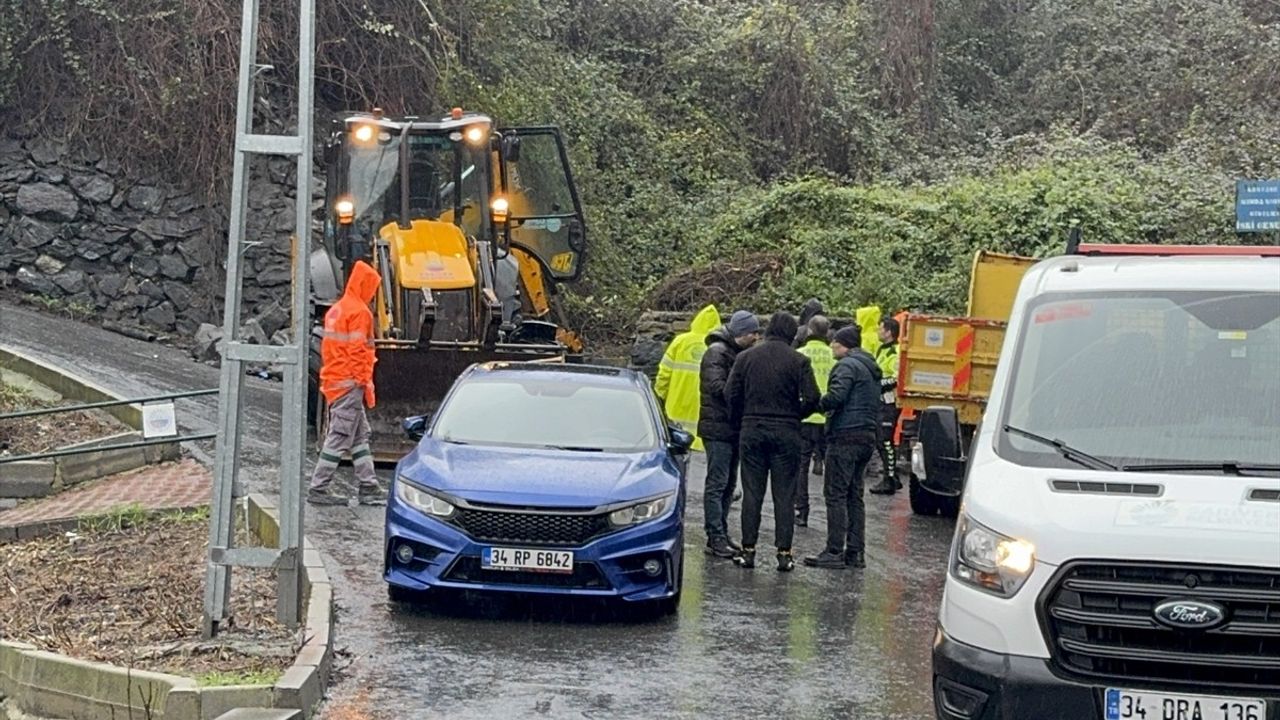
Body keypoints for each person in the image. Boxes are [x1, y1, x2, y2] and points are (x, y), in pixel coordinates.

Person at [725, 312, 821, 572]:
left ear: (767, 331)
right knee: (784, 495)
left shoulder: (745, 358)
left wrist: (742, 419)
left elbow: (730, 394)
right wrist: (795, 416)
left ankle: (748, 551)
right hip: (786, 432)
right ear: (792, 335)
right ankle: (784, 553)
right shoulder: (799, 361)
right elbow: (813, 397)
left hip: (753, 429)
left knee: (752, 493)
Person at [308, 260, 386, 506]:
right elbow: (358, 351)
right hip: (349, 384)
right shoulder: (360, 312)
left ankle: (368, 485)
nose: (373, 293)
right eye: (372, 287)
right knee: (340, 436)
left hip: (335, 380)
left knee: (359, 435)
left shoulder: (337, 309)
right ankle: (318, 488)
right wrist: (362, 382)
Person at [804, 325, 881, 570]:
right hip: (866, 436)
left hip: (844, 436)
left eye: (835, 343)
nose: (831, 347)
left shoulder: (846, 366)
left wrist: (815, 404)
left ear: (845, 345)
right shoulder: (870, 368)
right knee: (854, 496)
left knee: (835, 494)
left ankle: (834, 550)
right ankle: (856, 552)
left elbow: (837, 397)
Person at [698, 310, 761, 558]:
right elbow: (717, 387)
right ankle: (715, 535)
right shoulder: (717, 353)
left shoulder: (733, 353)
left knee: (728, 485)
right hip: (718, 428)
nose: (756, 337)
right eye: (752, 333)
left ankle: (721, 532)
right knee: (717, 483)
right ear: (739, 333)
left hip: (730, 427)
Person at [654, 304, 720, 451]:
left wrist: (659, 397)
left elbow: (664, 374)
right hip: (704, 426)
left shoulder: (680, 342)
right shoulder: (717, 346)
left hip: (675, 418)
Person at [794, 315, 835, 527]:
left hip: (804, 416)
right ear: (827, 333)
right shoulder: (835, 356)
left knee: (800, 467)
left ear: (809, 331)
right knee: (833, 469)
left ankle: (801, 511)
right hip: (829, 418)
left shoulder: (799, 355)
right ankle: (833, 513)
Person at [792, 298, 826, 476]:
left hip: (804, 402)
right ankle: (819, 459)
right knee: (822, 441)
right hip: (826, 405)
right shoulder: (830, 343)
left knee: (801, 460)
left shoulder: (800, 333)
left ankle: (800, 502)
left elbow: (792, 351)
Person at [870, 317, 902, 495]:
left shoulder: (895, 352)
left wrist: (875, 383)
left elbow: (896, 378)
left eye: (880, 329)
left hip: (890, 401)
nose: (878, 331)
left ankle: (889, 478)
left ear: (889, 332)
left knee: (885, 441)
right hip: (881, 401)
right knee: (881, 440)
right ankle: (892, 476)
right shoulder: (882, 350)